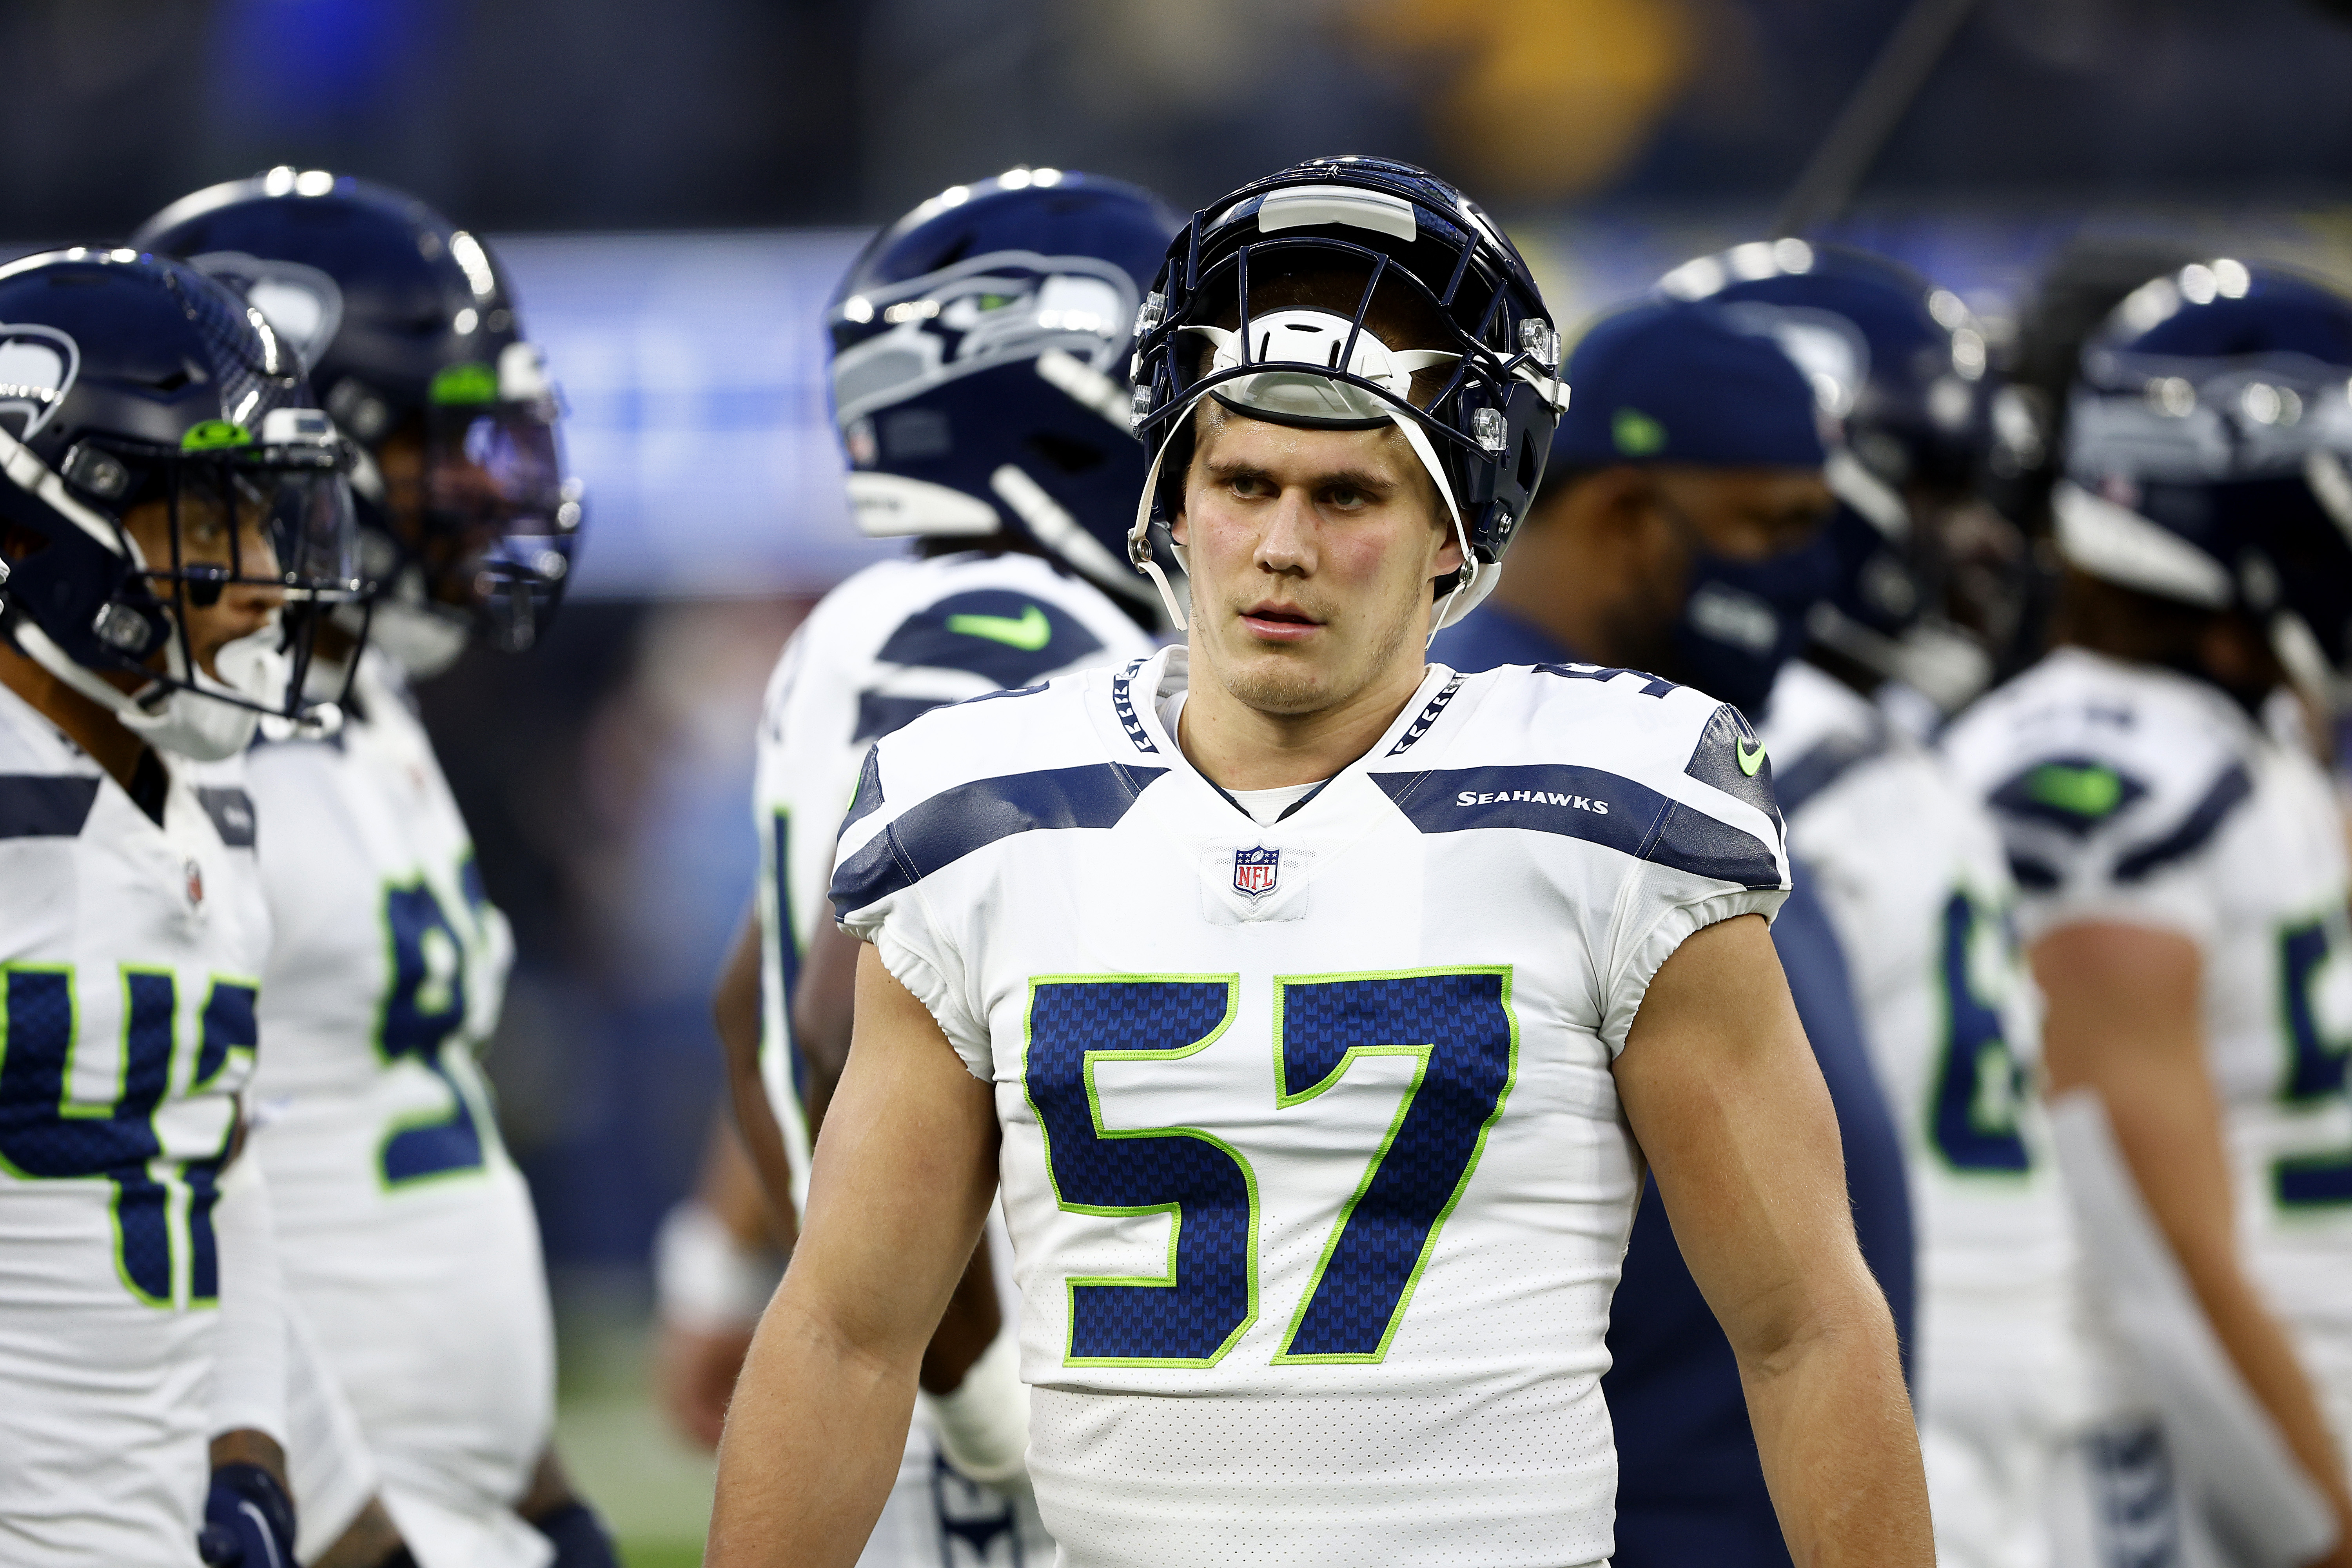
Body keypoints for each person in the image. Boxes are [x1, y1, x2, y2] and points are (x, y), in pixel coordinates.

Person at [706, 154, 1929, 1568]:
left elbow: (1802, 1328)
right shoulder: (980, 803)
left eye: (1347, 495)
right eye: (1242, 480)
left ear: (1453, 528)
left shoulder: (1613, 803)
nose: (1280, 547)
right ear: (1170, 494)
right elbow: (847, 1332)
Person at [671, 167, 1184, 1561]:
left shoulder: (901, 613)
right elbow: (834, 1030)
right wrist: (979, 1401)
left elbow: (758, 991)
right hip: (1017, 1383)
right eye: (1171, 373)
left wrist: (725, 1262)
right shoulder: (993, 624)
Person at [134, 172, 610, 1568]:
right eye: (446, 445)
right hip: (319, 1520)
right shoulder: (180, 748)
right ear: (311, 447)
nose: (494, 490)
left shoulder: (375, 706)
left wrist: (548, 1498)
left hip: (460, 1507)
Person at [1428, 292, 1915, 1568]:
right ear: (1629, 518)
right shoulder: (1476, 784)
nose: (1807, 572)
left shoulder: (1685, 765)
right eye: (1774, 527)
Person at [1675, 240, 2128, 1568]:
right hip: (1931, 1384)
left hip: (1916, 1382)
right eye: (1932, 482)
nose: (1972, 532)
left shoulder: (1820, 747)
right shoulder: (1808, 755)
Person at [1945, 259, 2352, 1568]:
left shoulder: (2230, 745)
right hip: (2174, 1472)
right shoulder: (2100, 772)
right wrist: (2323, 1522)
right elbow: (2141, 1234)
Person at [0, 247, 359, 1565]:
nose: (264, 574)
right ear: (36, 525)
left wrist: (249, 1455)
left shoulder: (199, 793)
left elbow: (224, 1156)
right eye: (213, 519)